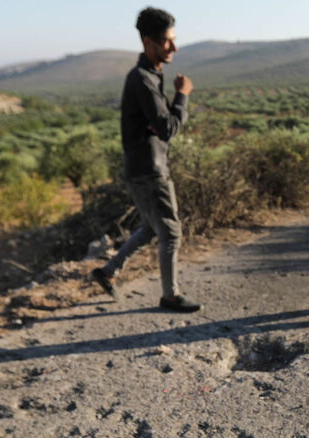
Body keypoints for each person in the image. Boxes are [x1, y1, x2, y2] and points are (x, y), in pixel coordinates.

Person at [90, 7, 200, 312]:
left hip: (141, 168)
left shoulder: (149, 76)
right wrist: (183, 95)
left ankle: (108, 271)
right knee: (171, 232)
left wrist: (161, 120)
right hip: (150, 171)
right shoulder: (143, 79)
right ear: (147, 40)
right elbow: (168, 128)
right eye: (167, 41)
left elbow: (160, 125)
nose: (174, 48)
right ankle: (170, 296)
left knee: (153, 228)